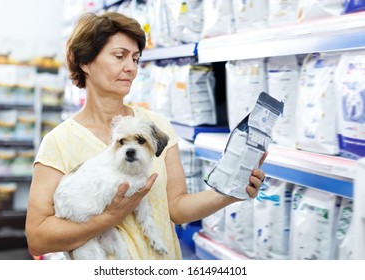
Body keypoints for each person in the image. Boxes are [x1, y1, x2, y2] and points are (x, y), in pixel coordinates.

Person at [25, 11, 266, 260]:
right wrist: (108, 218)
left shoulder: (156, 126)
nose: (130, 68)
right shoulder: (59, 143)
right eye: (119, 56)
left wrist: (229, 192)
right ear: (85, 62)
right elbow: (38, 238)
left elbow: (177, 208)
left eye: (136, 59)